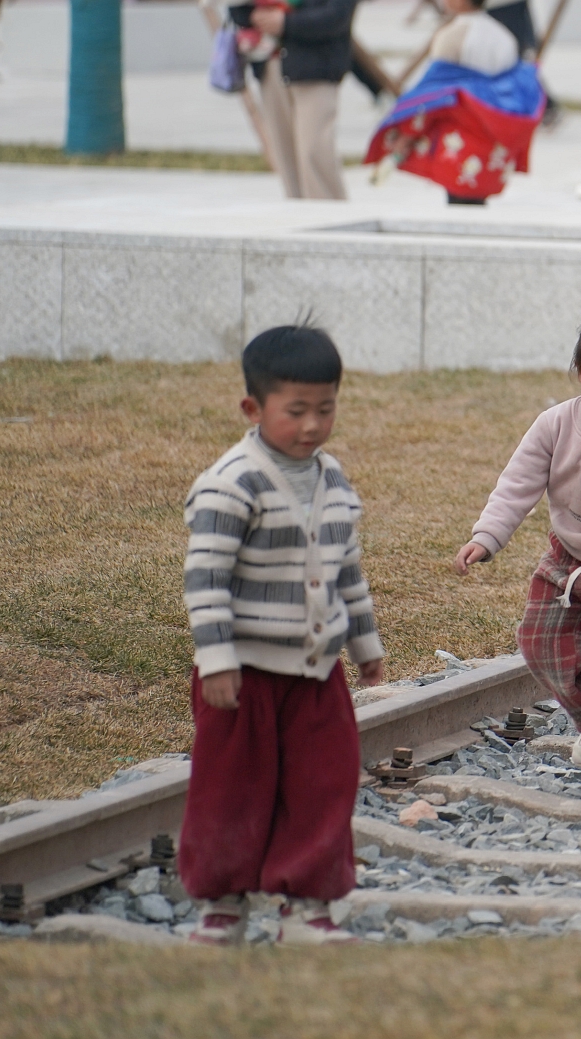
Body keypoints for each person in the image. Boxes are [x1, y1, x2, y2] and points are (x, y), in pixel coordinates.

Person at [178, 324, 384, 946]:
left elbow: (347, 568)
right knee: (231, 785)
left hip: (317, 671)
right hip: (242, 673)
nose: (313, 425)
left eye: (325, 409)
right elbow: (205, 579)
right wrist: (215, 661)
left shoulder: (333, 480)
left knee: (324, 781)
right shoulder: (231, 483)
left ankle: (307, 905)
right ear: (254, 408)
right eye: (296, 411)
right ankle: (223, 903)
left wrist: (365, 645)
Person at [453, 311, 581, 804]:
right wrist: (487, 535)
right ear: (579, 370)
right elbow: (517, 483)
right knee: (538, 643)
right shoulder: (555, 424)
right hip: (565, 557)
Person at [364, 0, 544, 205]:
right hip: (493, 131)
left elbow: (432, 95)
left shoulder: (451, 36)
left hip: (462, 134)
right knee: (477, 200)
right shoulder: (504, 37)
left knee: (458, 199)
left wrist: (406, 134)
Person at [238, 0, 358, 200]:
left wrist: (286, 23)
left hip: (316, 65)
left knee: (314, 151)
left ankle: (330, 216)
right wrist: (255, 17)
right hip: (270, 66)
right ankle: (298, 214)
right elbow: (236, 9)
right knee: (284, 153)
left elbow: (338, 16)